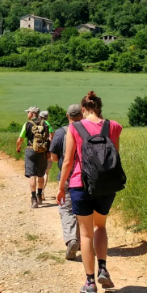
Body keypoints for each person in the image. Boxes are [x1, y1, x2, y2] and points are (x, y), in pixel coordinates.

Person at [56, 91, 123, 293]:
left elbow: (67, 161)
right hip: (106, 186)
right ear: (100, 108)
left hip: (79, 184)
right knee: (100, 226)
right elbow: (115, 157)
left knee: (85, 234)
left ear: (83, 109)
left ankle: (90, 282)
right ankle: (103, 268)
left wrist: (60, 187)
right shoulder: (113, 126)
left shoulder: (74, 128)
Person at [49, 104, 83, 260]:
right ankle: (82, 240)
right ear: (81, 115)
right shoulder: (87, 129)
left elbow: (54, 157)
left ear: (67, 115)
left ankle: (71, 239)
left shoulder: (61, 132)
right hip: (85, 176)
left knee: (66, 209)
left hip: (68, 176)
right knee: (81, 210)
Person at [16, 106, 50, 208]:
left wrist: (18, 148)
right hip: (43, 151)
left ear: (31, 114)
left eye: (28, 113)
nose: (28, 114)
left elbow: (20, 139)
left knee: (32, 175)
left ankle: (34, 199)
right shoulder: (45, 124)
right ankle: (40, 195)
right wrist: (48, 152)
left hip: (30, 150)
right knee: (41, 174)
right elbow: (48, 139)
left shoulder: (27, 124)